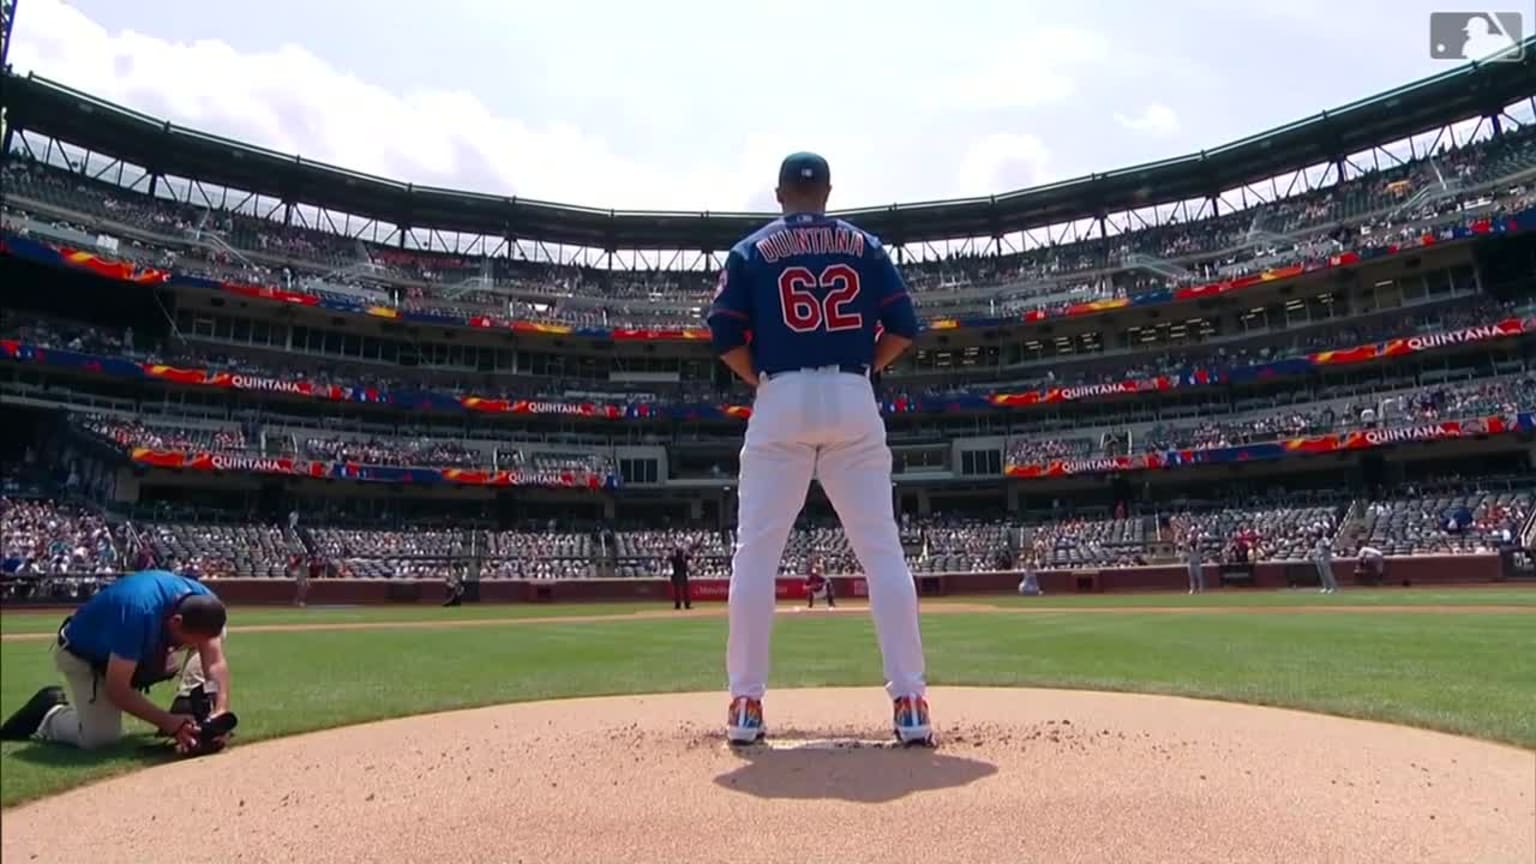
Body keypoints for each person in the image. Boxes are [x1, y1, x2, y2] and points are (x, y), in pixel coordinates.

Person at [707, 151, 931, 747]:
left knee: (756, 556)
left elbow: (724, 335)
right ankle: (910, 701)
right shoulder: (866, 246)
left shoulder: (752, 248)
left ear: (779, 195)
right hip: (853, 390)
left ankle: (746, 704)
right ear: (829, 192)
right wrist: (863, 374)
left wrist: (764, 382)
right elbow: (905, 328)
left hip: (781, 390)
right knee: (882, 552)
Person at [0, 569, 233, 754]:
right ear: (175, 622)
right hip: (84, 656)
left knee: (214, 637)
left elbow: (214, 663)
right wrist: (170, 723)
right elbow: (118, 689)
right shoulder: (137, 613)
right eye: (189, 641)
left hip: (136, 651)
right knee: (99, 740)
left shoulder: (204, 601)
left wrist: (220, 710)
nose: (192, 647)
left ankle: (189, 704)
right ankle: (49, 714)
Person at [669, 543, 693, 611]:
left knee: (678, 591)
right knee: (684, 591)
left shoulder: (674, 557)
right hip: (682, 574)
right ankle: (686, 605)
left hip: (677, 574)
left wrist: (674, 550)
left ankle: (678, 605)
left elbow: (669, 557)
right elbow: (691, 556)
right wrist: (685, 551)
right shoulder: (684, 557)